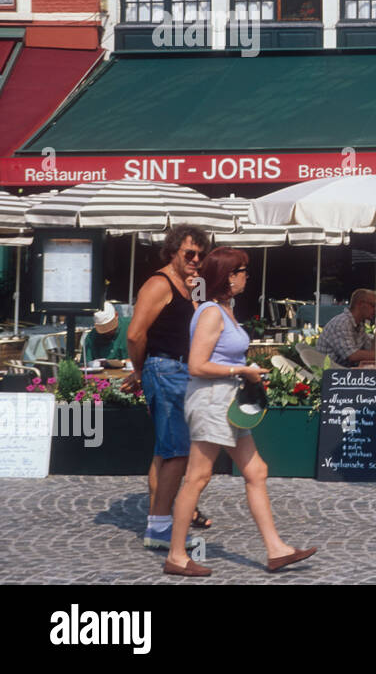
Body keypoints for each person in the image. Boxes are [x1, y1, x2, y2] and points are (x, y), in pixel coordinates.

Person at [164, 248, 316, 577]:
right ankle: (176, 555)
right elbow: (196, 365)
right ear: (229, 275)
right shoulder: (211, 313)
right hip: (212, 400)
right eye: (243, 270)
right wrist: (241, 371)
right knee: (197, 478)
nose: (248, 276)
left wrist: (244, 372)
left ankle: (276, 550)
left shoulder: (226, 309)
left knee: (256, 471)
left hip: (229, 401)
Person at [125, 225, 211, 551]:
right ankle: (159, 527)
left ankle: (158, 517)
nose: (196, 260)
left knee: (166, 449)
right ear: (173, 251)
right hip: (165, 369)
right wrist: (140, 367)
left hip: (181, 369)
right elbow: (135, 334)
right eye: (190, 254)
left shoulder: (192, 285)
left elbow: (199, 325)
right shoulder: (158, 284)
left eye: (201, 255)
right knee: (176, 451)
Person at [316, 288, 376, 367]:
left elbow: (373, 350)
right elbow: (353, 356)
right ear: (360, 304)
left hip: (346, 372)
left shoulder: (359, 324)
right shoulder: (342, 323)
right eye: (373, 305)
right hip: (333, 374)